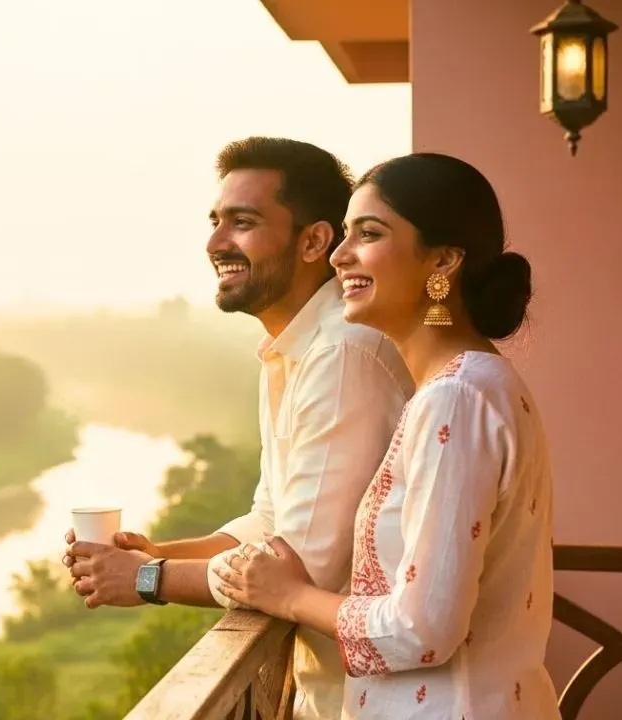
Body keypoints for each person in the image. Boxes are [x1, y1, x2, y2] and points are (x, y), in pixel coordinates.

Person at [63, 137, 413, 719]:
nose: (216, 243)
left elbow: (299, 563)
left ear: (313, 241)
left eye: (243, 223)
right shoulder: (290, 350)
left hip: (373, 700)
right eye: (216, 221)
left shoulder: (343, 353)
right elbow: (272, 518)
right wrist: (155, 552)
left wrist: (151, 579)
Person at [214, 152, 559, 719]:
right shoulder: (473, 385)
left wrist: (291, 596)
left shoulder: (458, 397)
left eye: (369, 234)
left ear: (443, 261)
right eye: (344, 233)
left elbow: (421, 629)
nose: (339, 255)